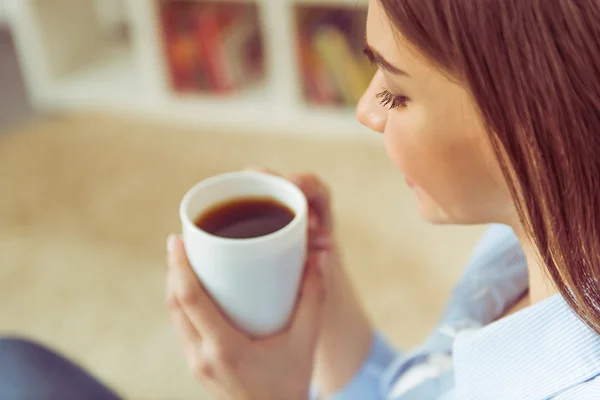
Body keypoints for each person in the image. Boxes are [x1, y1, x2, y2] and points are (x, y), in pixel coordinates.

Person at [3, 0, 600, 398]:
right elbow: (413, 385)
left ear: (536, 118)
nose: (366, 109)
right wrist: (323, 285)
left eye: (394, 91)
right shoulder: (540, 231)